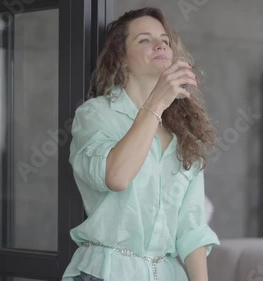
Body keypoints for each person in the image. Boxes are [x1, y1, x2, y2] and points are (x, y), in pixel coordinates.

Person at [61, 7, 220, 281]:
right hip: (106, 273)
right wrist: (157, 102)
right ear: (122, 59)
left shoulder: (184, 133)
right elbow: (116, 176)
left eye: (165, 40)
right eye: (144, 39)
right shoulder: (97, 114)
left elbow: (191, 229)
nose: (160, 44)